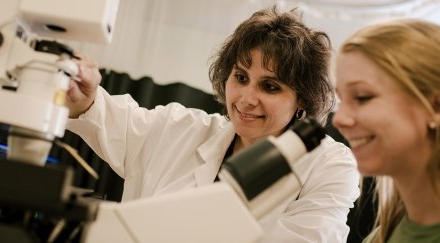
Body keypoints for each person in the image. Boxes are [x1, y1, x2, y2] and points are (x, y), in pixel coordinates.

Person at [66, 6, 360, 242]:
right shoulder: (180, 129)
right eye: (241, 78)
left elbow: (313, 237)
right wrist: (84, 95)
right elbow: (105, 116)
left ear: (301, 100)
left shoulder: (328, 164)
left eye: (270, 87)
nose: (246, 99)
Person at [332, 18, 440, 243]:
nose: (339, 120)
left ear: (434, 106)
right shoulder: (382, 235)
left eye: (362, 97)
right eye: (341, 99)